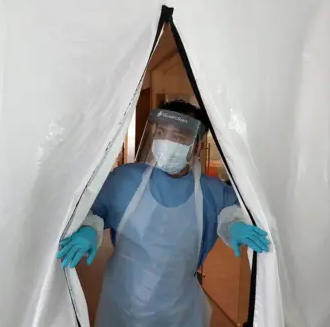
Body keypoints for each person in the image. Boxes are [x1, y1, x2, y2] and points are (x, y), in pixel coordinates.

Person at [57, 100, 270, 327]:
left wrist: (234, 224)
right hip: (121, 301)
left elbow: (230, 212)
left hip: (178, 309)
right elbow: (94, 208)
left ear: (197, 146)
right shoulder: (125, 179)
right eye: (161, 133)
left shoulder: (212, 191)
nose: (166, 143)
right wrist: (89, 228)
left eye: (178, 137)